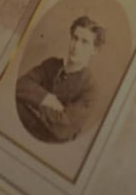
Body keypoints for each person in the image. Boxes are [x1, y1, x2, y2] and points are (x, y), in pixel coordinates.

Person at [15, 15, 105, 143]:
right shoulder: (51, 65)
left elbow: (63, 128)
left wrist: (32, 102)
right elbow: (20, 85)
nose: (76, 46)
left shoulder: (90, 89)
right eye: (75, 38)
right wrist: (47, 99)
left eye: (84, 42)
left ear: (95, 50)